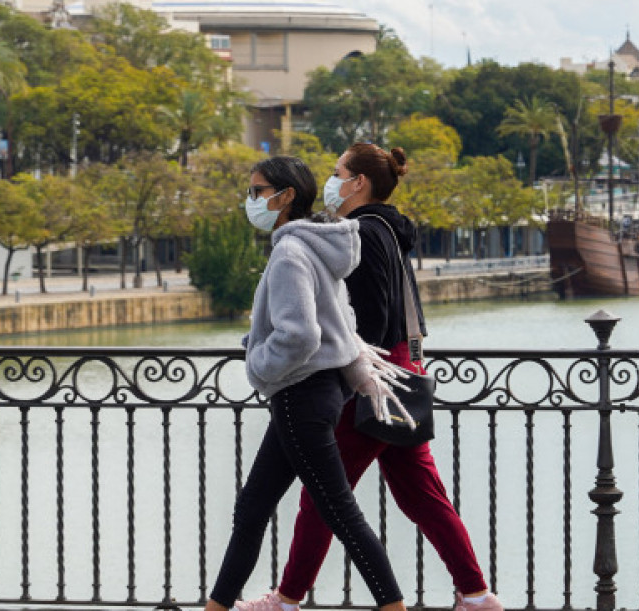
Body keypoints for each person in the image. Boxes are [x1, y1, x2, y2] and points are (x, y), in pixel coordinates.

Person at [234, 144, 503, 611]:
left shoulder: (365, 233)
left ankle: (287, 599)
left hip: (373, 382)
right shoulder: (387, 230)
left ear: (359, 182)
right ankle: (477, 594)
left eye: (338, 172)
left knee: (324, 497)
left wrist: (346, 372)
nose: (331, 180)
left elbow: (370, 318)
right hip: (402, 374)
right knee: (421, 494)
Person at [205, 156, 413, 611]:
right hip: (315, 393)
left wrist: (258, 364)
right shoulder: (320, 246)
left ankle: (394, 608)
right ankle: (215, 607)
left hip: (300, 393)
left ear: (285, 197)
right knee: (253, 508)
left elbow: (300, 335)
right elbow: (345, 321)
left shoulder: (290, 252)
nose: (251, 199)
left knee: (340, 512)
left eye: (258, 191)